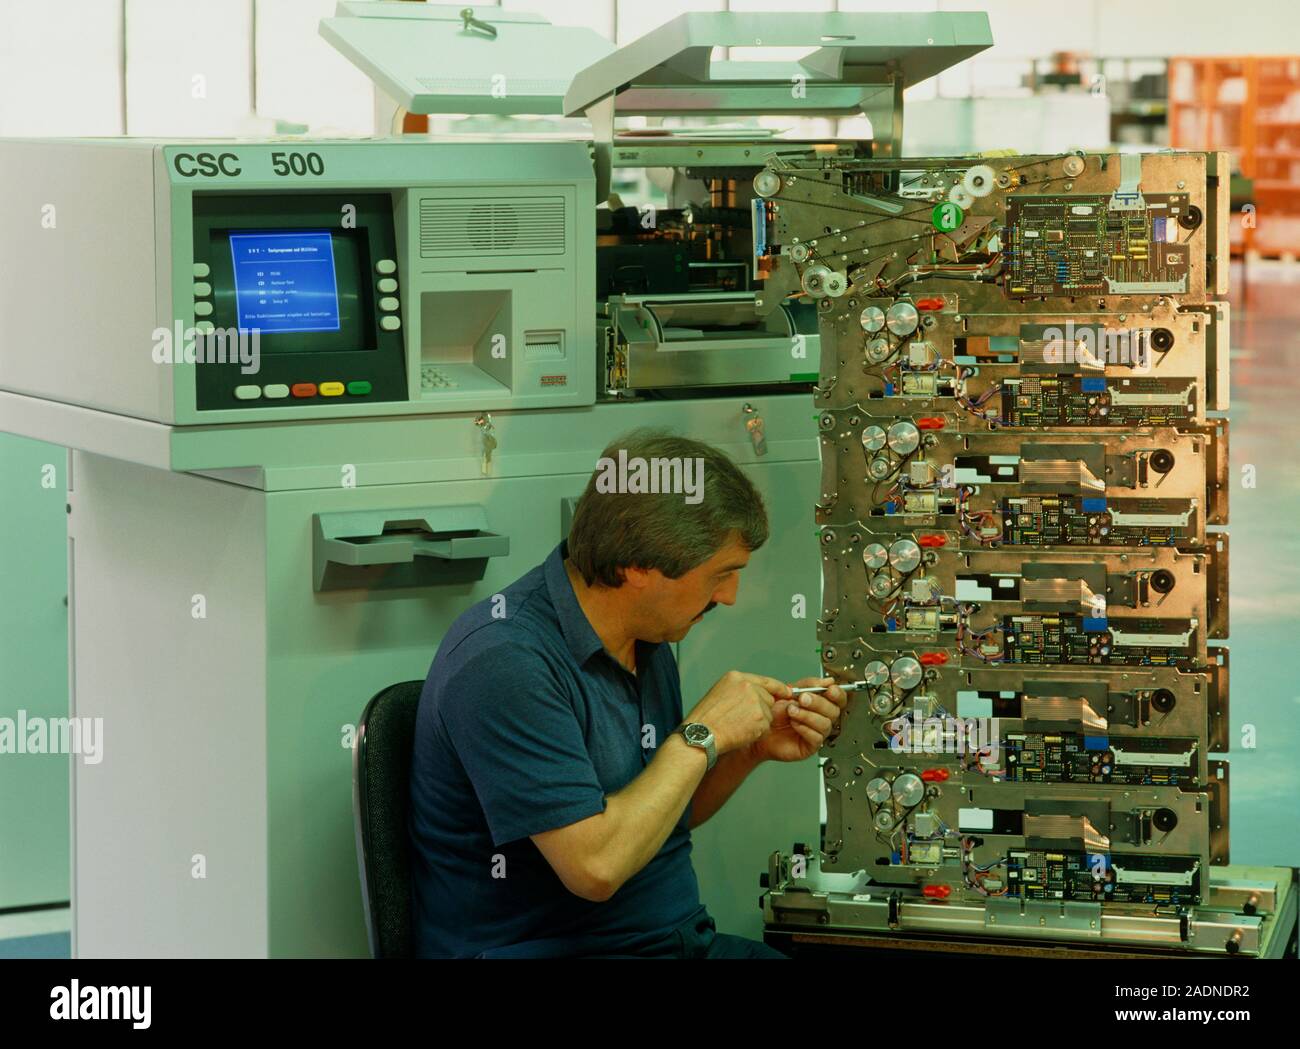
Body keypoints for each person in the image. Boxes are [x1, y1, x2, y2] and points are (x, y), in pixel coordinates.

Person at [408, 429, 847, 958]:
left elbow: (657, 816)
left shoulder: (647, 635)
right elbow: (596, 868)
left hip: (671, 943)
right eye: (721, 575)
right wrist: (700, 735)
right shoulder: (504, 661)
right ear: (639, 566)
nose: (729, 598)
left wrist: (745, 748)